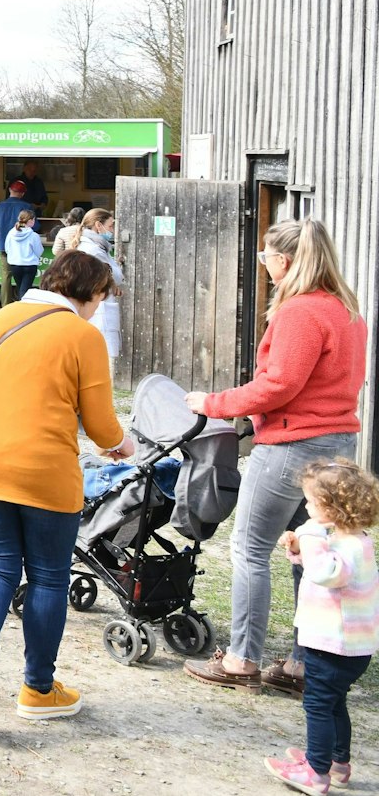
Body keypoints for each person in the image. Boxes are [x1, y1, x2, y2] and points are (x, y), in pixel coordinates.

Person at [0, 250, 134, 729]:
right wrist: (122, 444)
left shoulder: (4, 317)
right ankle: (37, 688)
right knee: (49, 577)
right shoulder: (82, 335)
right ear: (88, 293)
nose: (99, 307)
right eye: (101, 298)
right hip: (44, 470)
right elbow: (101, 425)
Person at [182, 220, 367, 696]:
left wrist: (213, 403)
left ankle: (243, 658)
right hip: (338, 445)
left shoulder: (300, 311)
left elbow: (279, 384)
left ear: (284, 261)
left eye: (266, 258)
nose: (265, 266)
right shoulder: (347, 310)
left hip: (291, 445)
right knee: (310, 552)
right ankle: (305, 664)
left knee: (250, 549)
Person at [261, 459, 379, 793]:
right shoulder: (357, 542)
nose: (308, 508)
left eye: (312, 502)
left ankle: (316, 771)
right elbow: (327, 568)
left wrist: (310, 534)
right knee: (335, 702)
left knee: (318, 705)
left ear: (332, 507)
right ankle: (336, 763)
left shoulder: (345, 546)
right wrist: (301, 549)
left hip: (332, 647)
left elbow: (327, 574)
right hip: (352, 647)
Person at [73, 209, 123, 363]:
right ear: (98, 225)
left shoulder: (99, 247)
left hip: (100, 304)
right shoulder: (93, 250)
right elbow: (112, 277)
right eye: (111, 225)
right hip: (98, 306)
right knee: (100, 355)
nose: (113, 230)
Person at [3, 211, 44, 299]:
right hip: (29, 265)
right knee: (25, 289)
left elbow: (7, 248)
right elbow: (39, 251)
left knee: (20, 287)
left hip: (15, 264)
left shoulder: (11, 233)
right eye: (33, 220)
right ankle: (22, 307)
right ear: (30, 221)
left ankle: (21, 305)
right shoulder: (34, 235)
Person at [0, 181, 31, 261]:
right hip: (21, 246)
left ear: (10, 190)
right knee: (19, 272)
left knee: (5, 273)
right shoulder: (27, 206)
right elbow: (33, 226)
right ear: (23, 193)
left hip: (3, 245)